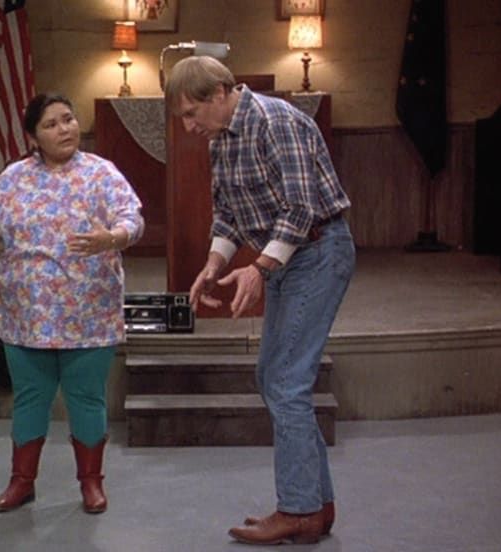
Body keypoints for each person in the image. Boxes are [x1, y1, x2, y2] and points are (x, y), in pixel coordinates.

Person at [165, 57, 355, 545]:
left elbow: (300, 207)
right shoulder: (221, 139)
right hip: (288, 257)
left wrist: (259, 268)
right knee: (272, 376)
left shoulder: (277, 121)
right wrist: (213, 265)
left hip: (318, 251)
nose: (188, 127)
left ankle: (298, 510)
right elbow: (228, 214)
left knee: (288, 381)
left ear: (220, 94)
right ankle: (317, 504)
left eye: (191, 113)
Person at [0, 92, 144, 514]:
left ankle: (91, 483)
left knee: (87, 398)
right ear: (34, 136)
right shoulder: (15, 178)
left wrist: (113, 237)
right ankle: (22, 483)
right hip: (28, 314)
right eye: (51, 124)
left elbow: (132, 218)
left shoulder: (101, 173)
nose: (64, 129)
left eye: (69, 119)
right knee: (31, 398)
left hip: (88, 313)